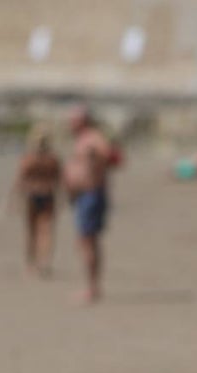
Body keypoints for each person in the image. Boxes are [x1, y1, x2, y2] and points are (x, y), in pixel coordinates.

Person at [63, 104, 118, 304]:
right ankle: (91, 286)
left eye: (72, 120)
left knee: (88, 241)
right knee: (85, 241)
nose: (69, 124)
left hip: (92, 194)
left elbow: (112, 156)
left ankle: (92, 288)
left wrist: (97, 158)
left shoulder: (93, 137)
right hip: (82, 195)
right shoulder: (81, 139)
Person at [11, 127, 62, 277]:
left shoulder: (29, 158)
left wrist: (14, 198)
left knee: (32, 231)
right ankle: (44, 262)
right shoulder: (52, 159)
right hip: (47, 194)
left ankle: (31, 264)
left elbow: (20, 179)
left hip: (32, 194)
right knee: (46, 230)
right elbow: (58, 180)